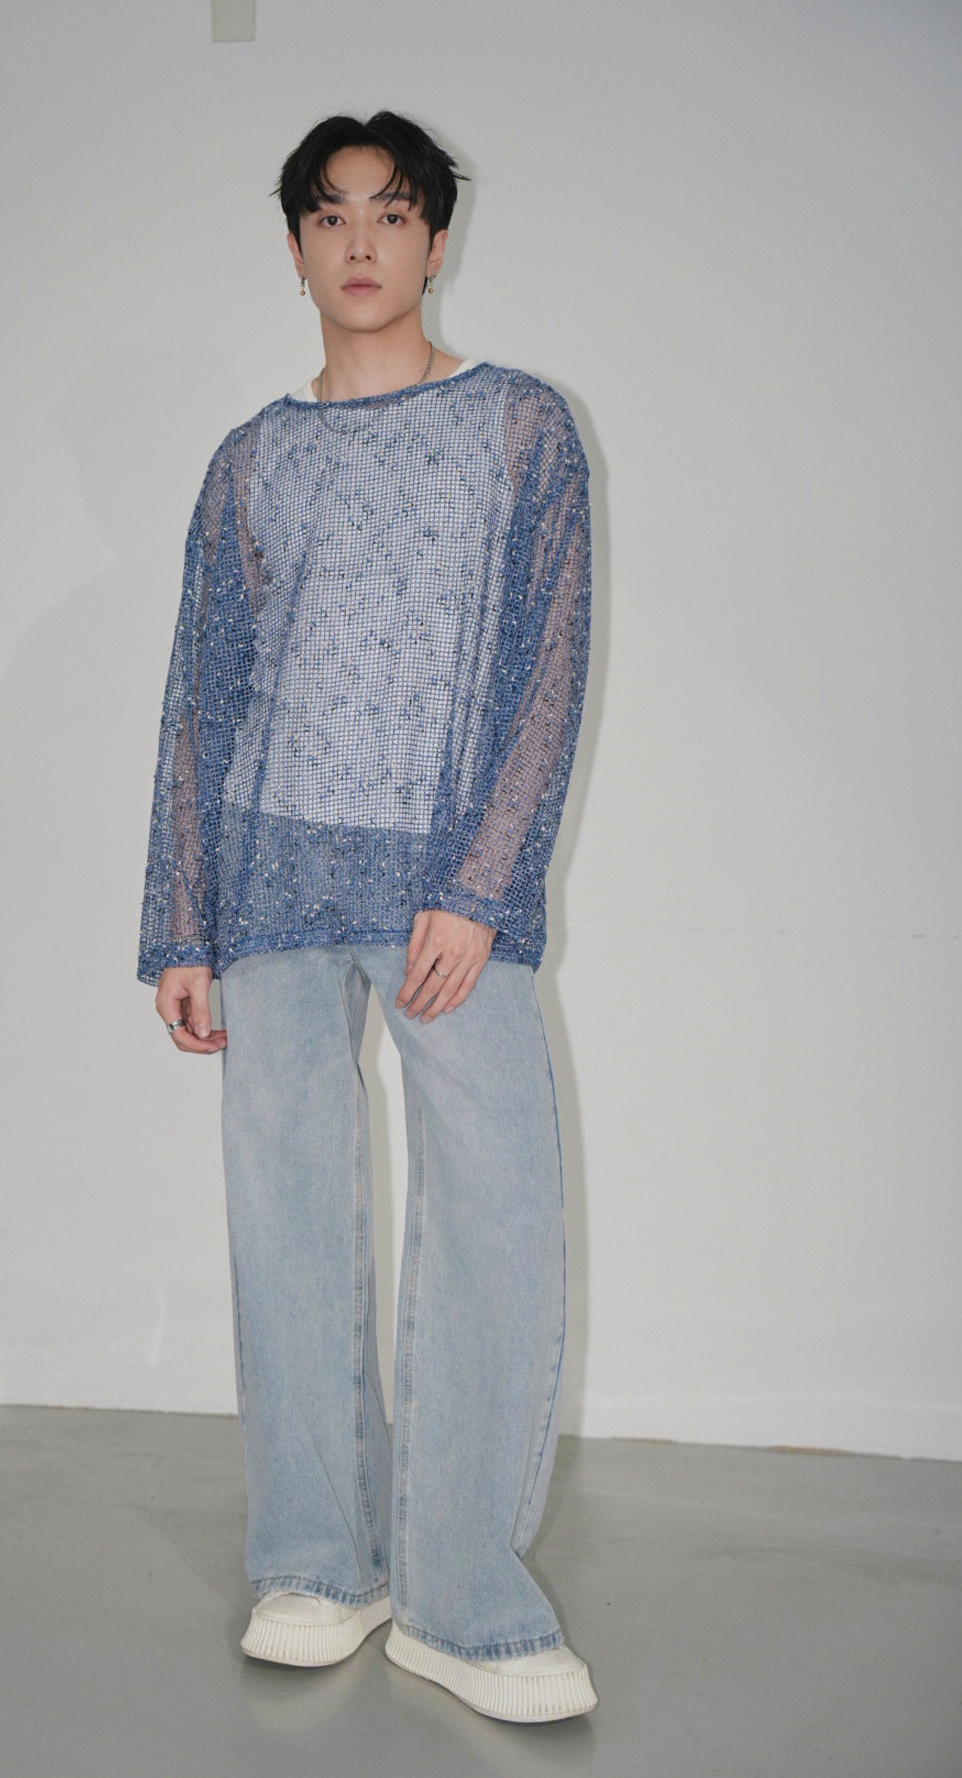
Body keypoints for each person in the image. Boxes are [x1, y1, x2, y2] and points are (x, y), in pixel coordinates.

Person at [138, 110, 596, 1724]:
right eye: (330, 216)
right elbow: (203, 695)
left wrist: (482, 882)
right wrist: (181, 916)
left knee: (494, 1213)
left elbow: (549, 662)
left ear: (435, 240)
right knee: (288, 1217)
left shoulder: (521, 429)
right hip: (266, 872)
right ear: (294, 247)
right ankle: (320, 1559)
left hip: (439, 888)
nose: (360, 241)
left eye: (392, 213)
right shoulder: (248, 461)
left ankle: (462, 1593)